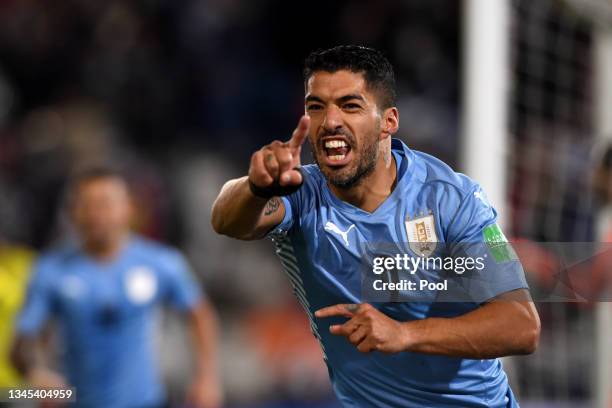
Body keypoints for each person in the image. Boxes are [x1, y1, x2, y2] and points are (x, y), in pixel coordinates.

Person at [211, 45, 540, 407]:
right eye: (316, 106)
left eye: (349, 105)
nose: (330, 121)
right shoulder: (302, 194)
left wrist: (404, 334)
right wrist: (256, 187)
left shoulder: (450, 199)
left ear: (389, 121)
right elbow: (227, 219)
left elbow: (522, 326)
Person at [11, 167, 222, 408]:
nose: (97, 214)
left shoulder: (161, 263)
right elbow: (20, 347)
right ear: (72, 213)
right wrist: (36, 376)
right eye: (87, 204)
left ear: (129, 209)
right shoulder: (51, 270)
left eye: (106, 203)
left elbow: (199, 315)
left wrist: (207, 378)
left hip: (146, 401)